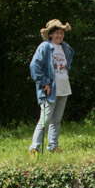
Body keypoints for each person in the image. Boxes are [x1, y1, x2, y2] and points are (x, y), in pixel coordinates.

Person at [28, 19, 74, 156]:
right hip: (50, 89)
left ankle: (53, 145)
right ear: (51, 35)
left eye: (61, 33)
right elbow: (34, 67)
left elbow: (67, 64)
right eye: (57, 33)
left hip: (64, 87)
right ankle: (35, 147)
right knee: (45, 118)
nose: (60, 36)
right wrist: (45, 83)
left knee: (57, 119)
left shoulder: (65, 48)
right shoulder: (45, 47)